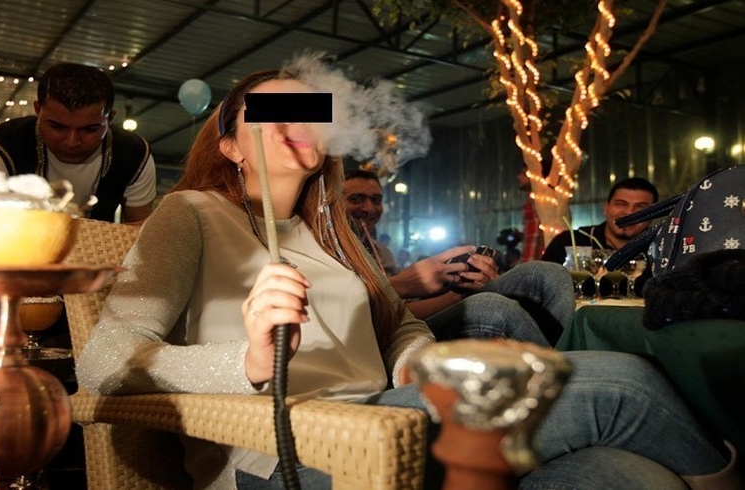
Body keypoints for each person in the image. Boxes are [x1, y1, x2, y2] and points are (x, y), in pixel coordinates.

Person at [75, 67, 736, 490]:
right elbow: (103, 361)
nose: (295, 121)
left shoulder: (336, 234)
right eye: (270, 112)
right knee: (624, 386)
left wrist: (414, 363)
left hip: (387, 413)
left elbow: (398, 328)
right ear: (229, 146)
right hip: (283, 453)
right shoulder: (192, 213)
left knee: (631, 476)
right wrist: (246, 361)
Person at [0, 62, 158, 261]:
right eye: (57, 127)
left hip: (90, 267)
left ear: (109, 118)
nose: (72, 141)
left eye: (90, 129)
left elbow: (140, 232)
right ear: (37, 110)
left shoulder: (134, 153)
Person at [343, 169, 570, 345]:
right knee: (493, 308)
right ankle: (568, 380)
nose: (369, 208)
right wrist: (402, 284)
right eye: (356, 199)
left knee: (548, 273)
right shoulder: (330, 252)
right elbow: (379, 316)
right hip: (383, 342)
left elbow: (403, 310)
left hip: (409, 323)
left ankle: (570, 357)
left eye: (376, 200)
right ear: (333, 202)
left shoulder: (381, 251)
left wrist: (460, 288)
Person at [541, 177, 659, 264]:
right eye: (621, 204)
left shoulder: (662, 248)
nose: (629, 212)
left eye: (641, 207)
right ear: (606, 208)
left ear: (653, 215)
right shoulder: (570, 241)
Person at [518, 164, 545, 262]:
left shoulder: (538, 200)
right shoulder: (533, 200)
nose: (519, 177)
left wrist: (528, 264)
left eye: (524, 173)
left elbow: (535, 236)